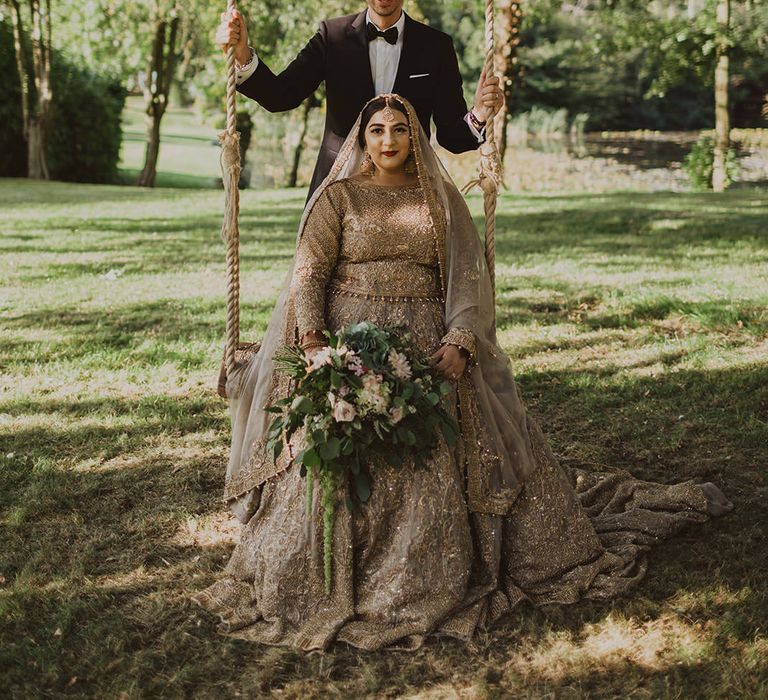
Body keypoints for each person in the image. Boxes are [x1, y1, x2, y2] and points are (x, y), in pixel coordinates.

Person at [191, 95, 732, 651]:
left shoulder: (439, 200)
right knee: (342, 447)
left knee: (434, 451)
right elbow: (309, 274)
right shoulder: (339, 198)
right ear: (362, 139)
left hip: (426, 352)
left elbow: (470, 279)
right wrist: (313, 344)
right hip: (347, 348)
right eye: (376, 130)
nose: (387, 140)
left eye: (399, 129)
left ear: (414, 136)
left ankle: (428, 570)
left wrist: (461, 339)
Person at [215, 1, 503, 198]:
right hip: (339, 184)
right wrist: (241, 56)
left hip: (411, 189)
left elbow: (452, 137)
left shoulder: (436, 46)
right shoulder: (332, 36)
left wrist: (478, 113)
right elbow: (281, 95)